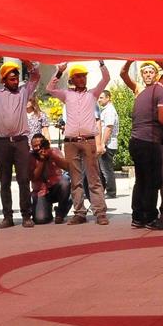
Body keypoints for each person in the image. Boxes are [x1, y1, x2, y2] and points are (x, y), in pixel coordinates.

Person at [0, 57, 40, 228]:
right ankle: (7, 217)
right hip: (1, 143)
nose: (15, 81)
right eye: (11, 79)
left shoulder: (23, 92)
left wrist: (28, 62)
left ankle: (26, 215)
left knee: (23, 179)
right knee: (4, 181)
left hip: (20, 142)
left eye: (16, 78)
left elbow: (35, 76)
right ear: (3, 80)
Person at [47, 61, 111, 225]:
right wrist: (59, 72)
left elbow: (106, 79)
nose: (82, 79)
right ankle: (79, 213)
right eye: (78, 77)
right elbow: (50, 89)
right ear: (72, 80)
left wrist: (101, 63)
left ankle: (100, 212)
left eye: (84, 76)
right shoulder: (67, 95)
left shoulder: (92, 94)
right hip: (71, 142)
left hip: (88, 140)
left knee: (93, 178)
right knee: (75, 179)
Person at [124, 60, 163, 230]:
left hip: (136, 141)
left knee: (141, 180)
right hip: (149, 142)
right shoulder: (162, 91)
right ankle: (151, 218)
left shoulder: (144, 93)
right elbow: (162, 118)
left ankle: (137, 217)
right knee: (153, 181)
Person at [30, 134, 73, 224]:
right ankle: (47, 209)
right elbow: (33, 178)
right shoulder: (30, 157)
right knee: (40, 219)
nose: (38, 148)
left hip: (56, 187)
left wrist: (51, 156)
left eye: (40, 145)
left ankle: (60, 213)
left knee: (65, 181)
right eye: (35, 146)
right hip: (41, 191)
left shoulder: (54, 151)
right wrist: (41, 160)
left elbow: (67, 167)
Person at [97, 90, 119, 199]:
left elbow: (108, 128)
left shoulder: (109, 111)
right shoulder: (105, 110)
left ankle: (111, 192)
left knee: (106, 169)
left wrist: (102, 144)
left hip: (108, 144)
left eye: (101, 97)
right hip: (106, 143)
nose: (99, 100)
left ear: (108, 98)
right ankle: (102, 191)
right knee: (102, 170)